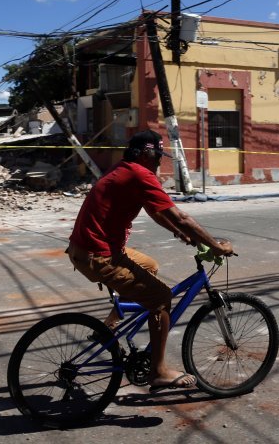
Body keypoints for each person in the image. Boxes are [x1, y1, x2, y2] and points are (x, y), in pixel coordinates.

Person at [67, 129, 233, 392]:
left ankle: (108, 327)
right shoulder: (140, 174)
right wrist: (215, 245)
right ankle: (158, 372)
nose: (159, 162)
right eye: (157, 156)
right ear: (146, 153)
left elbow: (156, 213)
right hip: (100, 255)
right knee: (161, 298)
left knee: (149, 266)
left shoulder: (124, 169)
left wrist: (179, 234)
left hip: (86, 249)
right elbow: (181, 216)